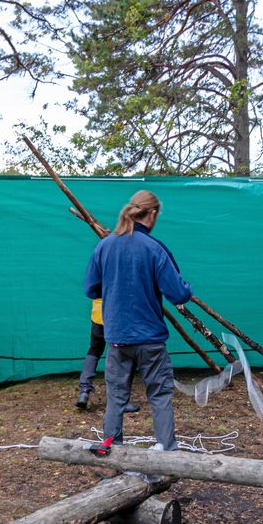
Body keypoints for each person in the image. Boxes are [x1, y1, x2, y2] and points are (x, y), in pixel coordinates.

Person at [84, 190, 193, 451]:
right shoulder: (155, 249)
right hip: (150, 339)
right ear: (152, 214)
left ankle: (111, 451)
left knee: (116, 397)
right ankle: (166, 452)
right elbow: (177, 293)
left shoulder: (105, 246)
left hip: (118, 336)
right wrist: (187, 289)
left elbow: (91, 288)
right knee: (160, 395)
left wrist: (116, 289)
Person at [76, 297, 141, 414]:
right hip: (116, 315)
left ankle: (84, 390)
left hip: (98, 314)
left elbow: (91, 289)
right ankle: (121, 401)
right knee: (122, 355)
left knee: (94, 350)